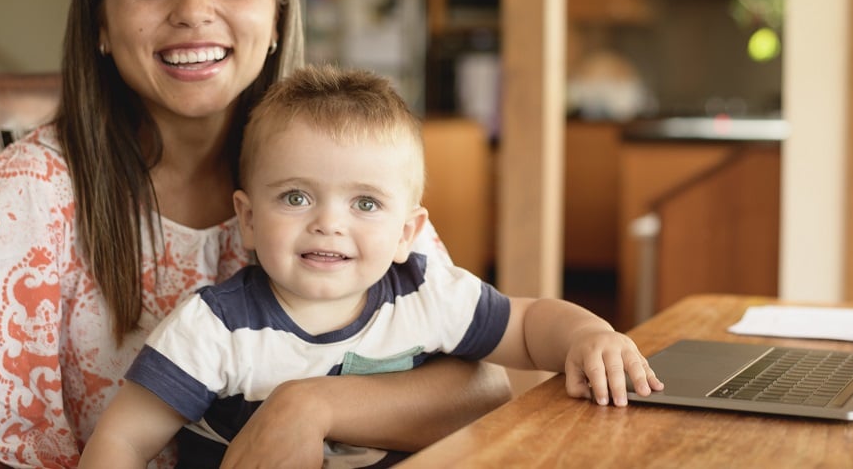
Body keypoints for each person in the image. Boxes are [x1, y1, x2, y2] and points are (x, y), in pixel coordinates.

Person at [0, 0, 512, 469]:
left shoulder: (330, 171)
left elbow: (480, 387)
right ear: (100, 22)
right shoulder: (28, 191)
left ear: (277, 14)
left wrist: (309, 405)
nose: (192, 11)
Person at [79, 65, 664, 469]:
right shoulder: (214, 327)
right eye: (295, 197)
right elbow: (124, 438)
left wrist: (591, 336)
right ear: (248, 219)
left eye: (365, 203)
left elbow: (529, 325)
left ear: (408, 232)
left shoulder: (424, 290)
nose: (328, 224)